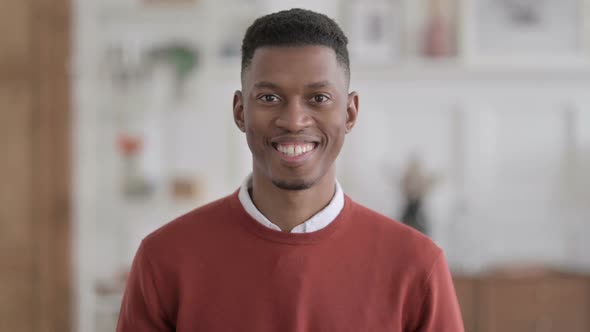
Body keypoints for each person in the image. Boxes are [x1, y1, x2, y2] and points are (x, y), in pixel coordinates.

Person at [117, 8, 464, 332]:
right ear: (240, 111)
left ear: (350, 113)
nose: (294, 120)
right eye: (269, 98)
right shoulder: (164, 260)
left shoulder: (417, 267)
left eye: (319, 98)